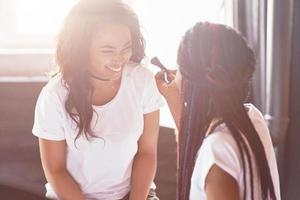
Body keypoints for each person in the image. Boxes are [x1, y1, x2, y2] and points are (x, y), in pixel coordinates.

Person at [32, 0, 164, 199]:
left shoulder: (142, 80)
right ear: (80, 49)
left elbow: (147, 153)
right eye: (107, 51)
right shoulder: (54, 96)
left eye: (126, 47)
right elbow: (55, 171)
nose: (120, 58)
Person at [155, 22, 280, 200]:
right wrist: (175, 98)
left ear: (193, 83)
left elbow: (209, 156)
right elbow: (197, 153)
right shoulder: (252, 118)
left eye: (180, 67)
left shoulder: (217, 149)